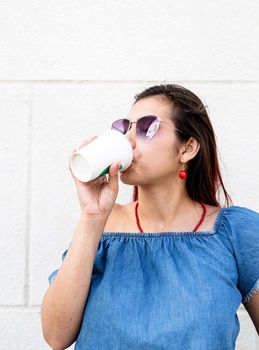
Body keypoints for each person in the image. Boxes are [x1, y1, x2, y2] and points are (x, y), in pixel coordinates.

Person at [41, 83, 259, 349]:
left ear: (187, 149)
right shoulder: (100, 228)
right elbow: (56, 335)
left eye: (147, 128)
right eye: (124, 128)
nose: (127, 140)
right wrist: (91, 217)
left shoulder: (234, 232)